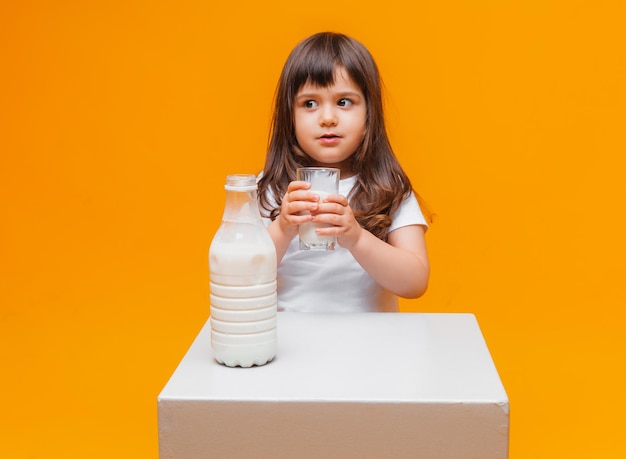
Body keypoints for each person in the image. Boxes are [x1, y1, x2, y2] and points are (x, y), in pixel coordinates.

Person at [258, 32, 430, 313]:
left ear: (369, 116)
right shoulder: (270, 188)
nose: (328, 118)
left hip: (370, 345)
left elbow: (415, 282)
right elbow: (241, 275)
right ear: (290, 117)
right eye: (309, 103)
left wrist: (357, 238)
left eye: (344, 102)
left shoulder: (390, 188)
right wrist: (282, 228)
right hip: (290, 343)